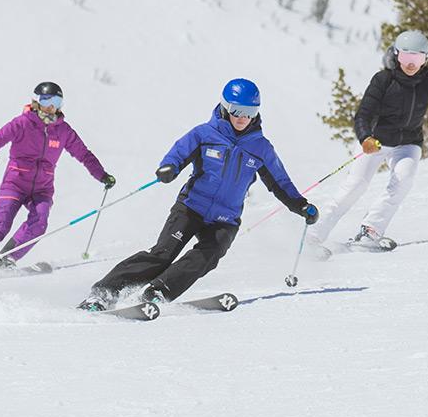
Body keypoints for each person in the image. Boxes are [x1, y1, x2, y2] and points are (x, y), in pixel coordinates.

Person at [78, 77, 318, 311]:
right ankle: (103, 293)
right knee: (162, 254)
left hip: (226, 218)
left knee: (209, 255)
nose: (243, 118)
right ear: (225, 107)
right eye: (237, 110)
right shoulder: (204, 134)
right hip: (191, 207)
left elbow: (280, 181)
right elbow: (179, 152)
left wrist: (300, 205)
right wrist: (170, 167)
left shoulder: (261, 148)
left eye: (250, 111)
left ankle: (158, 291)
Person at [311, 30, 428, 255]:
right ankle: (313, 236)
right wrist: (365, 138)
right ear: (396, 56)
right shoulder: (383, 80)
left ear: (425, 59)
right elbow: (363, 114)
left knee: (402, 181)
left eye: (416, 59)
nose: (410, 64)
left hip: (408, 144)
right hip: (376, 142)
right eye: (406, 58)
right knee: (355, 186)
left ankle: (370, 231)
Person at [0, 81, 115, 276]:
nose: (52, 107)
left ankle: (7, 259)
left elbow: (84, 154)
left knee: (39, 221)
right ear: (36, 101)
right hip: (14, 184)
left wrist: (102, 175)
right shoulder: (22, 123)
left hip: (42, 189)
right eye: (47, 101)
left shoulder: (63, 131)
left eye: (57, 101)